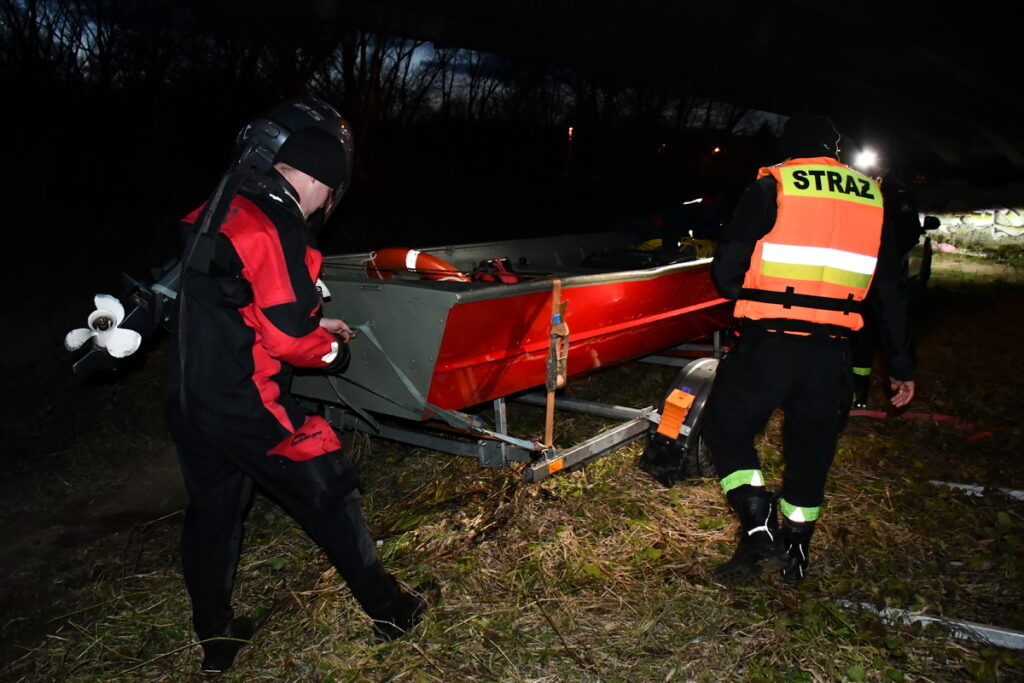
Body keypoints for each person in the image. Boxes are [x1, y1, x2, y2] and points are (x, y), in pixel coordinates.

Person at [166, 98, 426, 673]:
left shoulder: (220, 206)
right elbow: (287, 341)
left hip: (191, 397)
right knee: (329, 491)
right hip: (247, 401)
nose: (323, 206)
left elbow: (240, 301)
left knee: (213, 514)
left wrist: (310, 323)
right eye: (328, 194)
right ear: (320, 177)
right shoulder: (276, 222)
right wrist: (332, 350)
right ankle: (391, 610)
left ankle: (216, 637)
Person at [700, 114, 916, 586]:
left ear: (789, 148)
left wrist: (751, 292)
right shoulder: (871, 197)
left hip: (769, 341)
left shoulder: (775, 185)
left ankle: (758, 528)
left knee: (725, 428)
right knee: (811, 450)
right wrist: (901, 364)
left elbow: (726, 270)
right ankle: (797, 550)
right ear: (834, 151)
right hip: (831, 351)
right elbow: (890, 292)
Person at [850, 165, 924, 408]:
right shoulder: (864, 192)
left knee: (864, 337)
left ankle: (858, 392)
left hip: (870, 274)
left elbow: (909, 231)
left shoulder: (896, 193)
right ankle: (856, 392)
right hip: (865, 276)